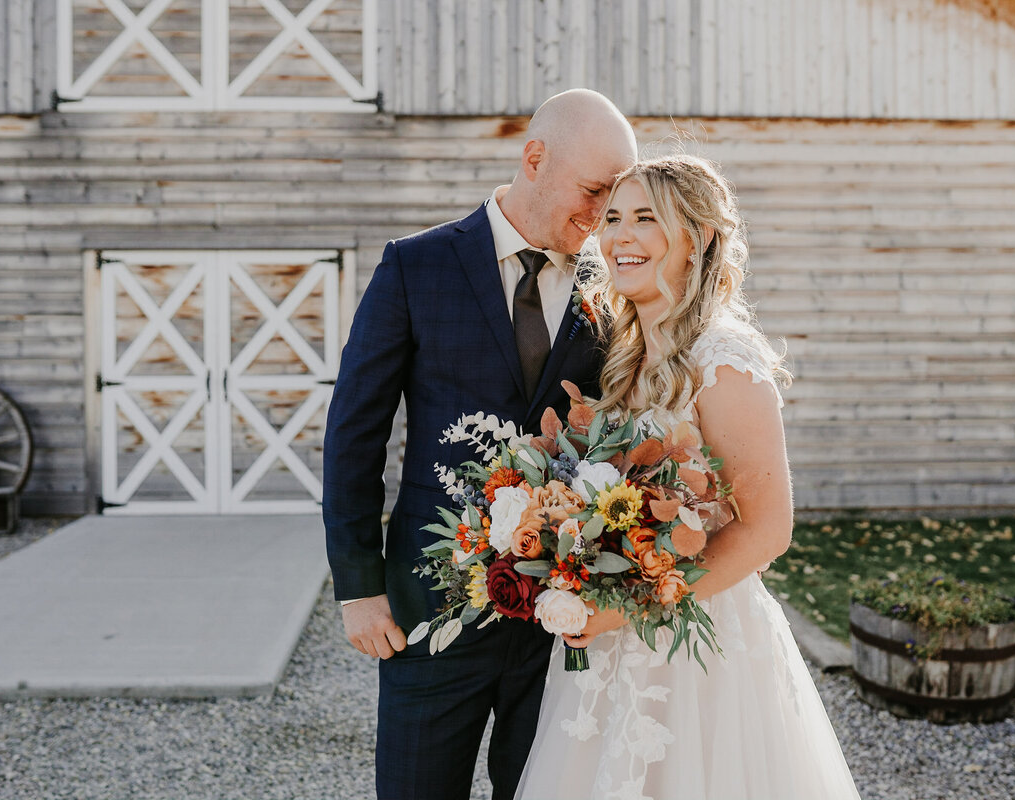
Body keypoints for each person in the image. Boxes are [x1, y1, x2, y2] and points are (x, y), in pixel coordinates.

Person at [514, 155, 862, 800]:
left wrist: (624, 610)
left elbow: (766, 530)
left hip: (698, 647)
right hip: (608, 646)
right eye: (612, 218)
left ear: (697, 238)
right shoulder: (624, 358)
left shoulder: (723, 361)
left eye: (647, 219)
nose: (620, 235)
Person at [323, 89, 638, 800]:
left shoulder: (611, 289)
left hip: (560, 612)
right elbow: (354, 434)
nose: (602, 218)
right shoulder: (415, 267)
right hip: (429, 607)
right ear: (534, 159)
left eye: (617, 200)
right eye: (595, 192)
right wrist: (359, 588)